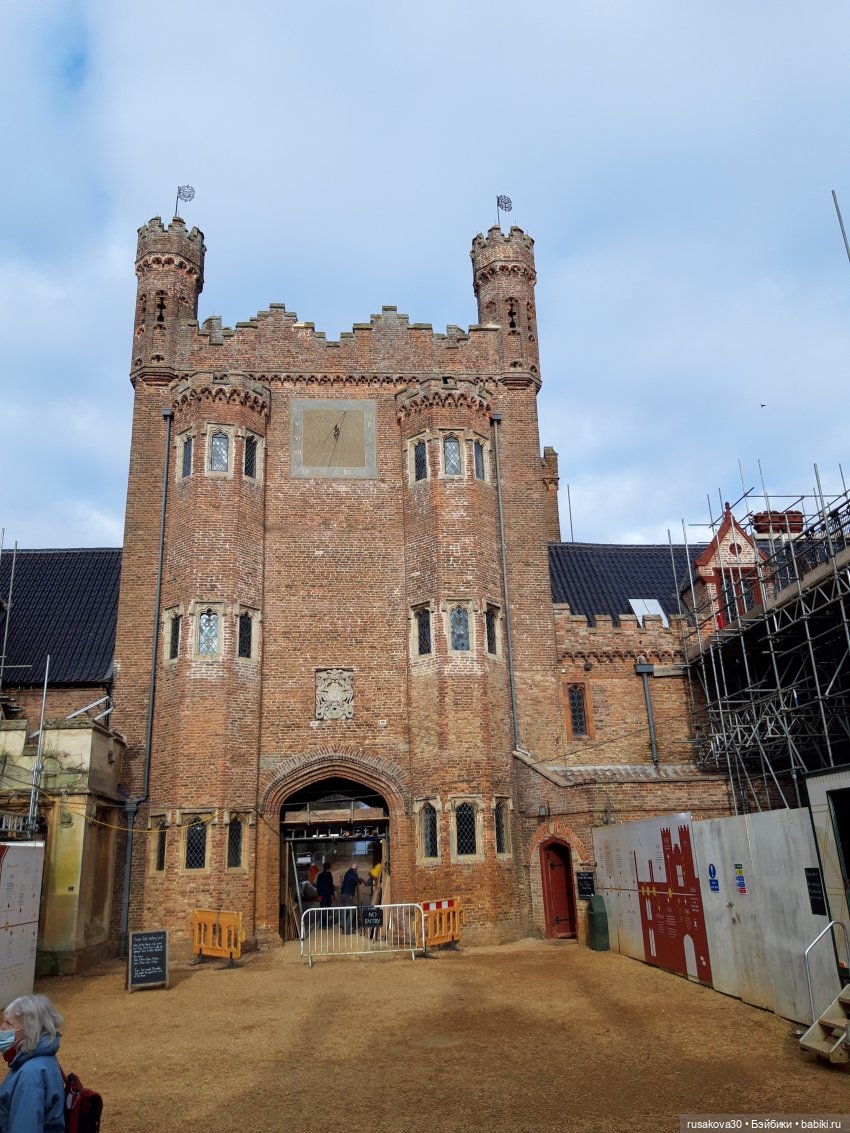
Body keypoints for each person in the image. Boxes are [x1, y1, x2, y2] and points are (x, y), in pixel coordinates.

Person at [0, 994, 65, 1133]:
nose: (2, 1028)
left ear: (31, 1029)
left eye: (9, 1024)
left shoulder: (30, 1076)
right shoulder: (34, 1061)